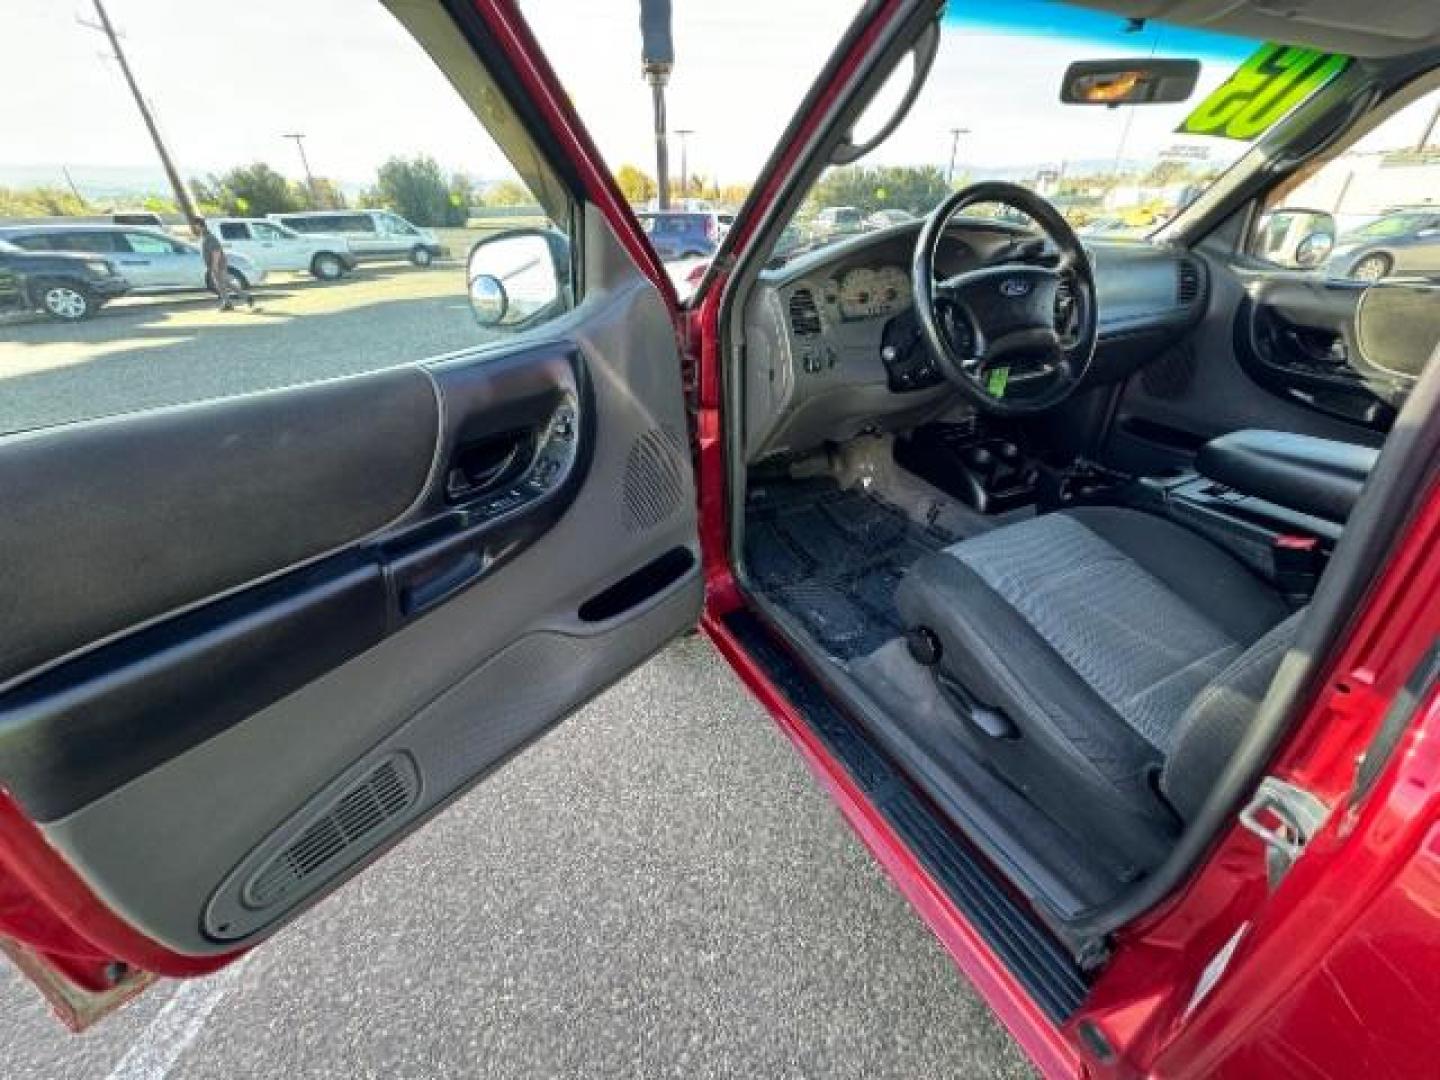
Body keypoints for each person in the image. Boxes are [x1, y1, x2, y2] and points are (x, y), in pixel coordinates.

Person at [194, 216, 252, 311]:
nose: (194, 228)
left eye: (195, 226)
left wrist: (215, 265)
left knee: (222, 283)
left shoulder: (210, 237)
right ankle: (233, 301)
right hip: (214, 264)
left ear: (200, 226)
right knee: (222, 284)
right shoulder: (204, 237)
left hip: (218, 264)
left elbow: (216, 252)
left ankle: (242, 298)